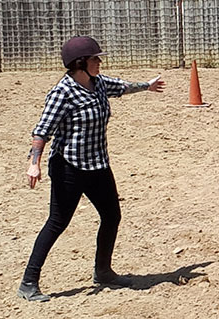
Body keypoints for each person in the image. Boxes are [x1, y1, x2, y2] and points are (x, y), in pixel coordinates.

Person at [17, 36, 165, 302]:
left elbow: (122, 87)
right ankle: (29, 282)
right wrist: (34, 164)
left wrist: (147, 86)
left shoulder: (98, 84)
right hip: (69, 168)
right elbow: (42, 131)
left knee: (112, 216)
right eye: (95, 58)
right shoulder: (62, 93)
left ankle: (103, 271)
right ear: (79, 63)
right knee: (57, 222)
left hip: (97, 164)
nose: (99, 62)